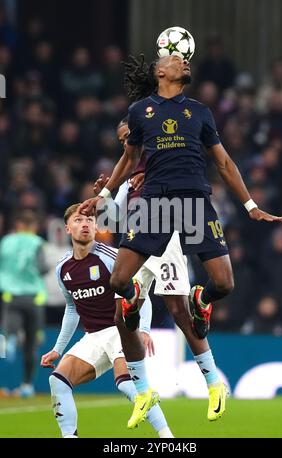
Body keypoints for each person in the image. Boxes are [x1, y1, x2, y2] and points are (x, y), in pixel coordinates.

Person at [80, 54, 282, 426]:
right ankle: (142, 390)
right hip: (151, 211)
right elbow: (124, 173)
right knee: (120, 289)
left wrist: (251, 204)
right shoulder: (140, 119)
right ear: (160, 72)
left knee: (208, 292)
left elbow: (223, 162)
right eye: (175, 59)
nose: (183, 62)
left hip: (191, 206)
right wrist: (107, 195)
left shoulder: (200, 113)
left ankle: (207, 343)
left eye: (184, 59)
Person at [94, 118, 228, 422]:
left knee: (180, 311)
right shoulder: (127, 176)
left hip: (165, 235)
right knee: (121, 316)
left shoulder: (163, 156)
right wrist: (105, 196)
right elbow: (111, 221)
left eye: (128, 136)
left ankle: (214, 384)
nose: (125, 142)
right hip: (134, 239)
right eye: (121, 140)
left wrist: (153, 177)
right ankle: (143, 391)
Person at [40, 203, 173, 438]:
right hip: (93, 337)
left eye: (90, 220)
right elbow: (72, 309)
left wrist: (143, 330)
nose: (85, 225)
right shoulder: (63, 269)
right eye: (79, 221)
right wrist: (57, 350)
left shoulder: (111, 257)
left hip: (121, 330)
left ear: (95, 226)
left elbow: (141, 295)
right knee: (58, 381)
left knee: (127, 384)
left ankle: (167, 438)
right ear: (68, 229)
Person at [0, 210, 48, 397]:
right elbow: (43, 268)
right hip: (35, 297)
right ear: (33, 227)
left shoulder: (6, 242)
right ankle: (27, 386)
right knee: (31, 344)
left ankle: (11, 336)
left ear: (18, 225)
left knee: (10, 326)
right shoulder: (37, 243)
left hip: (11, 295)